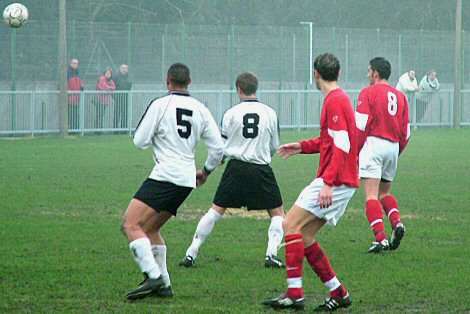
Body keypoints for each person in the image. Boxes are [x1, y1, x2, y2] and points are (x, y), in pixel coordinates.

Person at [263, 53, 358, 312]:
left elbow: (341, 145)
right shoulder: (338, 99)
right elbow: (330, 141)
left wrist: (328, 182)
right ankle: (338, 292)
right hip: (340, 179)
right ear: (337, 73)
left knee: (289, 223)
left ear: (315, 74)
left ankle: (294, 293)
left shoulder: (335, 101)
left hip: (335, 180)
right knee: (304, 236)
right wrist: (301, 147)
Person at [121, 63, 224, 300]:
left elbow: (139, 141)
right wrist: (206, 172)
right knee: (150, 228)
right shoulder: (201, 108)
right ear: (189, 82)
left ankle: (152, 275)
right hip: (186, 180)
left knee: (130, 225)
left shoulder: (160, 104)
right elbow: (218, 148)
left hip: (165, 175)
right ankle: (164, 284)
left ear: (167, 81)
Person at [179, 72, 285, 269]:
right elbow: (274, 146)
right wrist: (262, 156)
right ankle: (271, 254)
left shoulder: (230, 113)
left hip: (235, 168)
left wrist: (206, 171)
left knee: (215, 211)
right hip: (261, 168)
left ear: (239, 89)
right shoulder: (270, 113)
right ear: (256, 88)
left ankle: (191, 253)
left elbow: (222, 148)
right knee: (277, 213)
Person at [355, 57, 410, 254]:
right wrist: (396, 151)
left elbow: (360, 127)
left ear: (375, 73)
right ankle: (396, 223)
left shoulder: (367, 93)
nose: (368, 74)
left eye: (369, 71)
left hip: (373, 144)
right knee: (384, 193)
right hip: (393, 146)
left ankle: (381, 239)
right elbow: (406, 133)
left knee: (371, 195)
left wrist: (355, 153)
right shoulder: (400, 96)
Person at [113, 64, 132, 130]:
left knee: (125, 114)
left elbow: (130, 87)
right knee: (116, 115)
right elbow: (113, 87)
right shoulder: (116, 77)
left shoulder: (128, 77)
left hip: (126, 99)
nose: (124, 69)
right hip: (118, 99)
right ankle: (115, 130)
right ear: (120, 69)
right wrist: (114, 97)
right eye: (123, 68)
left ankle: (124, 129)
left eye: (125, 68)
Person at [67, 58, 84, 130]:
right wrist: (69, 92)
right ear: (70, 64)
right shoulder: (67, 73)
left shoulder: (78, 73)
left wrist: (82, 87)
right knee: (70, 115)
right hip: (69, 98)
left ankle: (76, 129)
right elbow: (65, 84)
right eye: (74, 63)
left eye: (76, 63)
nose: (75, 64)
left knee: (76, 114)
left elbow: (80, 83)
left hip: (77, 98)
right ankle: (69, 129)